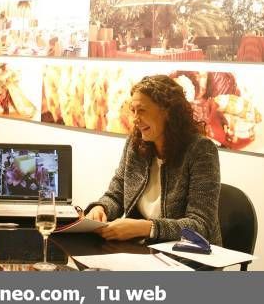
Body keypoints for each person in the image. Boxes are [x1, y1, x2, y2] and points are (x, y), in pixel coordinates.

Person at [86, 75, 221, 244]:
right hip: (144, 250)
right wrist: (101, 208)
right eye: (133, 110)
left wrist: (146, 228)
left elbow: (201, 225)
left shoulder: (200, 150)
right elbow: (116, 194)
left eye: (141, 110)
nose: (135, 119)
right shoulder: (135, 143)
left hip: (188, 255)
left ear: (168, 112)